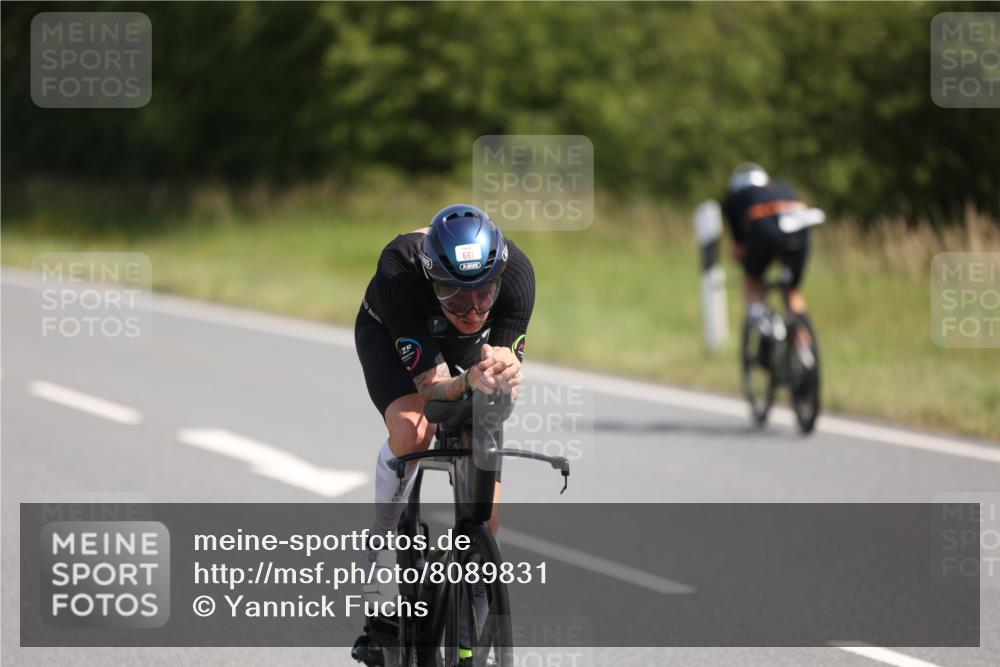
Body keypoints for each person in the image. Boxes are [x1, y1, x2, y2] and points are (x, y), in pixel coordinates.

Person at [351, 204, 534, 665]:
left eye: (483, 296)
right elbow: (433, 390)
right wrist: (468, 380)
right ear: (433, 280)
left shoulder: (517, 277)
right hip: (393, 330)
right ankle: (380, 542)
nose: (472, 310)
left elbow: (501, 385)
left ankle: (477, 598)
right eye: (454, 297)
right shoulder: (400, 272)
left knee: (484, 445)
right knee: (415, 429)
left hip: (464, 352)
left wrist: (504, 372)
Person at [722, 163, 814, 364]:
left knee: (752, 279)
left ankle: (760, 320)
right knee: (792, 290)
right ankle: (805, 351)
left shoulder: (734, 197)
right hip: (801, 227)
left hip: (764, 227)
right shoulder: (782, 187)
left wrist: (746, 260)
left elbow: (739, 246)